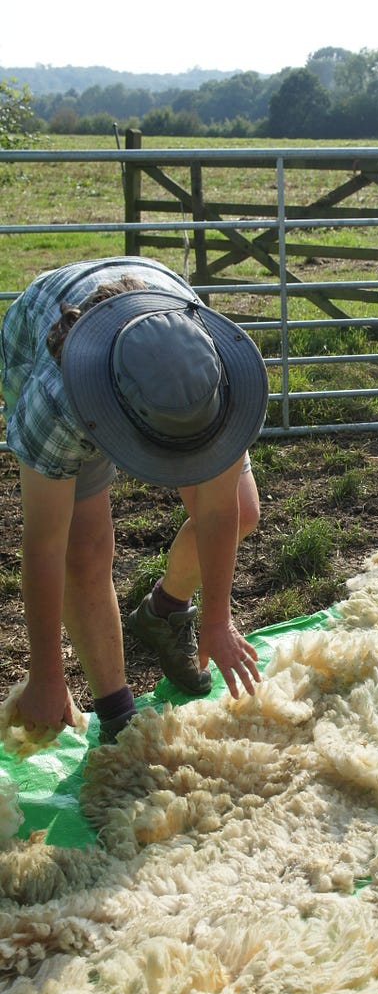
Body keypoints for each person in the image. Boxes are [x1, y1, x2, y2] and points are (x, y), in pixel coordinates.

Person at [0, 256, 269, 743]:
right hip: (54, 348)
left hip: (160, 363)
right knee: (83, 547)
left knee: (243, 510)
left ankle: (165, 613)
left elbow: (217, 511)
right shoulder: (58, 399)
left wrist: (218, 620)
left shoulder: (218, 374)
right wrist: (46, 675)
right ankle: (117, 713)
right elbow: (45, 548)